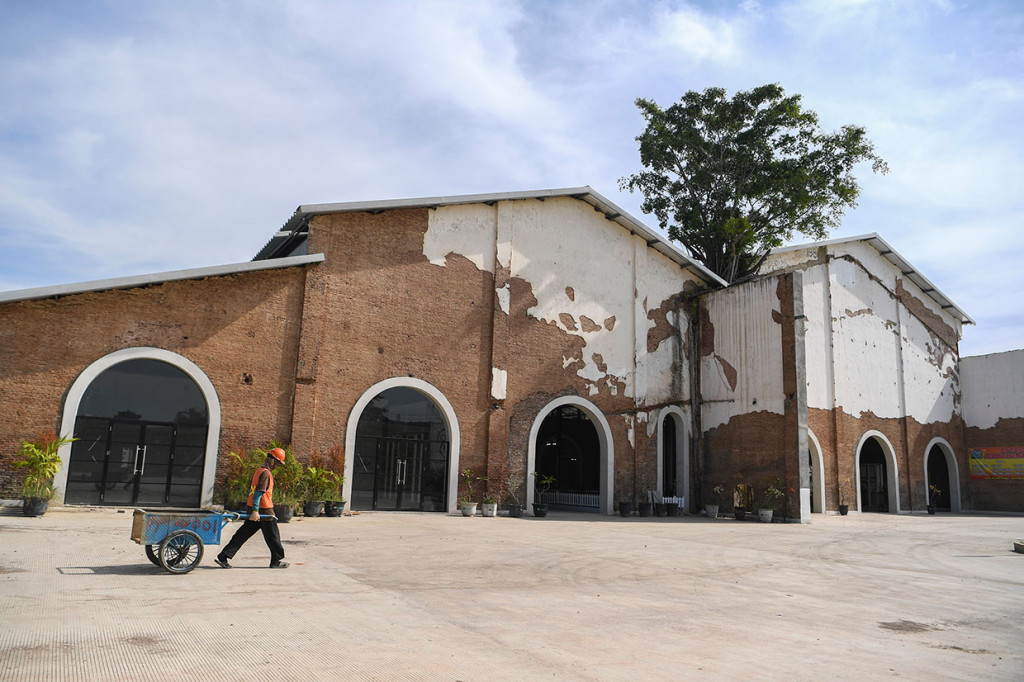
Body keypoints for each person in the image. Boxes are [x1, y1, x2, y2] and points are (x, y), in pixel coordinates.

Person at [216, 448, 289, 569]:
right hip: (264, 510)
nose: (277, 466)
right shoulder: (266, 473)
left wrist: (253, 509)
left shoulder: (259, 471)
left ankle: (224, 556)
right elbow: (258, 493)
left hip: (254, 509)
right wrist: (255, 511)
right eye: (277, 463)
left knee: (242, 534)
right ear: (273, 461)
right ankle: (276, 562)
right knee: (273, 537)